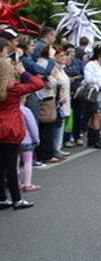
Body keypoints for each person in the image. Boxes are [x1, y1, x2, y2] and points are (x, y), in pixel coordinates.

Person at [0, 57, 44, 209]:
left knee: (1, 166)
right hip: (11, 128)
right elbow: (38, 84)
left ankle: (2, 198)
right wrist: (23, 72)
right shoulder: (14, 88)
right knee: (11, 166)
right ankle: (17, 199)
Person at [82, 44, 101, 150]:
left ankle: (91, 139)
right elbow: (88, 79)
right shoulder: (91, 65)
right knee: (96, 115)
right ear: (99, 54)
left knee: (97, 116)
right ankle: (96, 139)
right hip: (95, 93)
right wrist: (100, 81)